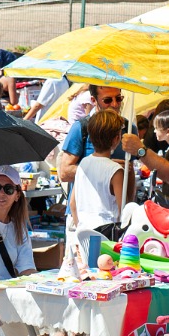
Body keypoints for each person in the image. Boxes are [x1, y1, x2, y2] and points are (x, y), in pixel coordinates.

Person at [68, 110, 127, 257]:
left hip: (83, 233)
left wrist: (80, 227)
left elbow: (72, 204)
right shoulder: (115, 170)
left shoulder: (83, 163)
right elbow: (124, 211)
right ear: (116, 139)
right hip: (107, 237)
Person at [57, 85, 127, 183]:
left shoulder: (128, 128)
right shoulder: (81, 127)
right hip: (86, 197)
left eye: (118, 98)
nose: (115, 104)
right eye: (107, 100)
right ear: (93, 100)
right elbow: (64, 173)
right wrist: (104, 168)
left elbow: (130, 172)